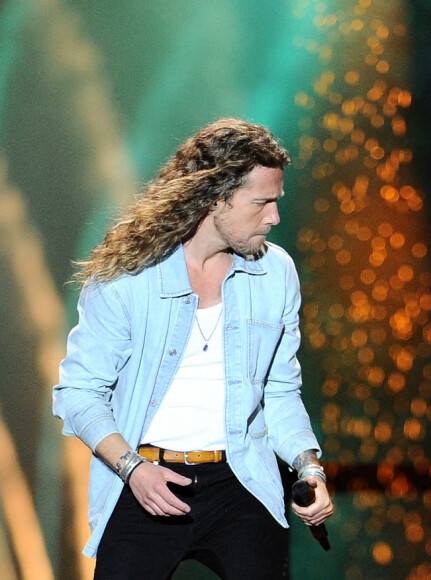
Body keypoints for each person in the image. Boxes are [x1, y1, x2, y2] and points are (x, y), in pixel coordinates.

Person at [53, 118, 333, 579]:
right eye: (262, 203)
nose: (274, 217)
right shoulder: (129, 276)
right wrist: (133, 470)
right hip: (145, 477)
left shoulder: (276, 272)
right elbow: (78, 392)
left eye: (276, 202)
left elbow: (281, 391)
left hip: (241, 481)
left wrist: (309, 469)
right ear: (215, 197)